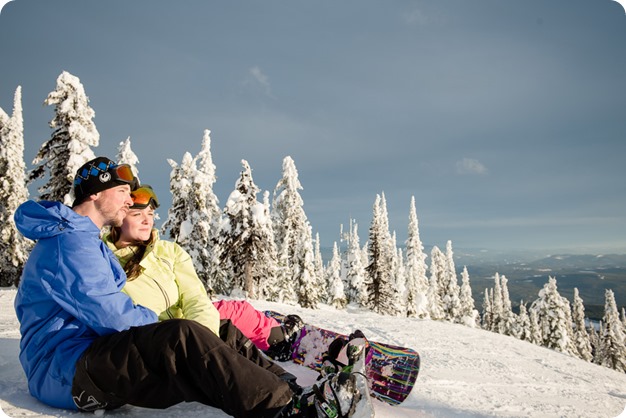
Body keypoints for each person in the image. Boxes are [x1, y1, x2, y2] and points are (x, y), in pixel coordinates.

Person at [13, 156, 363, 418]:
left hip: (88, 361)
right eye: (121, 192)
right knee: (182, 335)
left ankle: (295, 391)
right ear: (96, 194)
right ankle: (290, 410)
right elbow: (114, 315)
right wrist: (171, 330)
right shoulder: (68, 244)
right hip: (66, 372)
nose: (127, 200)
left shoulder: (84, 241)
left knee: (219, 329)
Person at [103, 183, 303, 360]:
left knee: (237, 310)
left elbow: (195, 298)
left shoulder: (167, 251)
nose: (148, 221)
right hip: (161, 336)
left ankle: (279, 339)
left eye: (150, 214)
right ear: (119, 218)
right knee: (230, 319)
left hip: (190, 321)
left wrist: (203, 337)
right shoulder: (103, 261)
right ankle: (275, 341)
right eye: (138, 215)